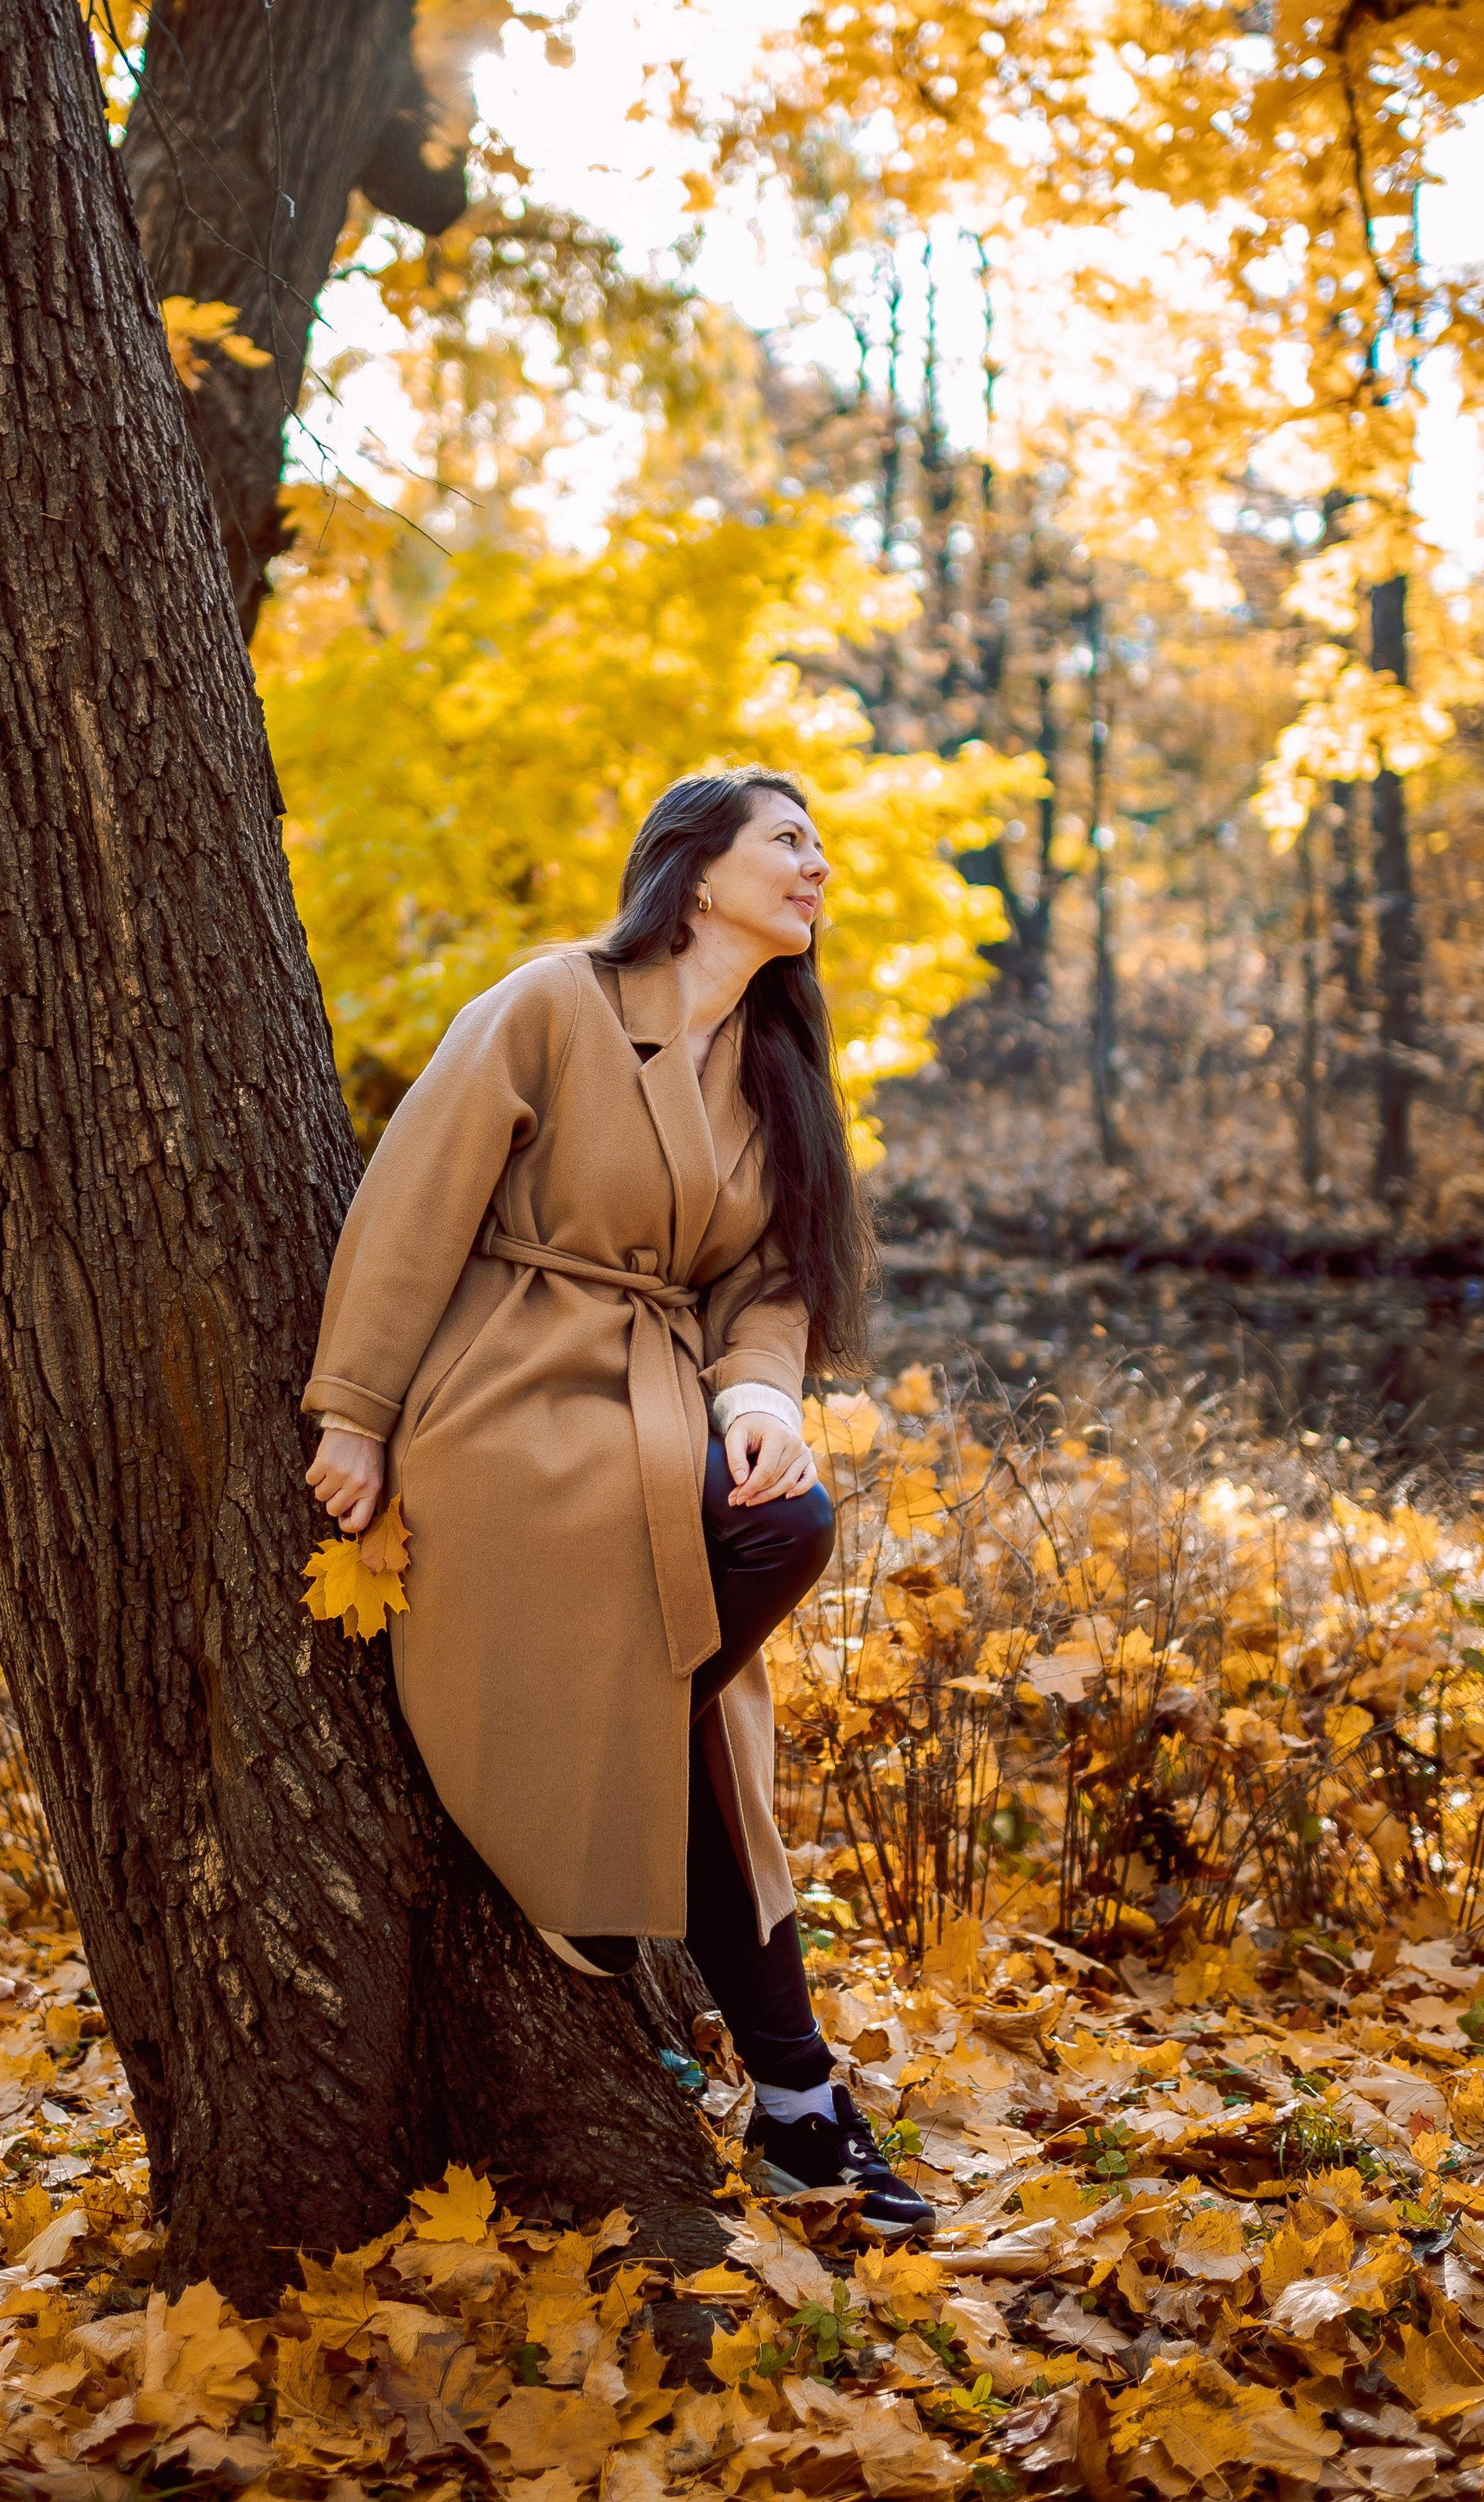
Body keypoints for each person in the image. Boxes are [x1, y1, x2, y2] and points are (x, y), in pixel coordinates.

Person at [304, 767, 933, 2234]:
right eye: (790, 841)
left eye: (820, 847)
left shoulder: (770, 1071)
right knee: (704, 1697)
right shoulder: (555, 1001)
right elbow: (414, 1200)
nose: (817, 866)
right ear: (695, 869)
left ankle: (779, 2090)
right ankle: (799, 2105)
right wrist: (357, 1411)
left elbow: (768, 1291)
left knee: (778, 1535)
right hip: (511, 1402)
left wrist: (762, 1400)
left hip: (660, 1412)